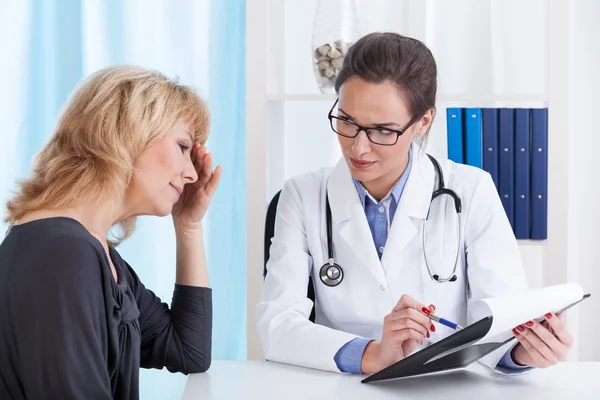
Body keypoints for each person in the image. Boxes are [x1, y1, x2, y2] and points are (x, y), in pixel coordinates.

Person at [256, 32, 573, 375]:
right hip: (340, 385)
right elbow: (278, 325)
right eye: (347, 121)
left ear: (422, 122)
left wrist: (524, 352)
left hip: (442, 386)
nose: (359, 148)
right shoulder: (302, 196)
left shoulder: (472, 191)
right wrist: (371, 354)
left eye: (382, 130)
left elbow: (501, 320)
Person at [0, 66, 222, 399]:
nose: (192, 173)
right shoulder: (60, 253)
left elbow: (188, 350)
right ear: (128, 133)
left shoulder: (94, 254)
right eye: (182, 146)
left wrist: (188, 226)